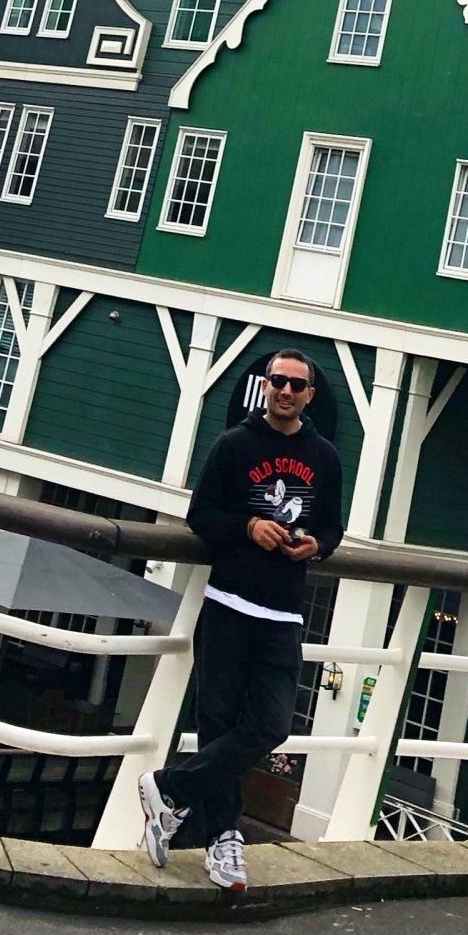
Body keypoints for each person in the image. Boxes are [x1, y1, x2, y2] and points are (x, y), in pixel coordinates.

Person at [140, 348, 345, 891]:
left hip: (284, 612)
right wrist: (249, 526)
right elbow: (201, 515)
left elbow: (332, 526)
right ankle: (223, 840)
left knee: (273, 724)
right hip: (229, 604)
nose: (285, 390)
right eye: (278, 380)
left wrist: (317, 546)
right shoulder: (233, 445)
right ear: (266, 386)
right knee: (219, 725)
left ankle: (170, 788)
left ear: (309, 395)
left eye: (296, 384)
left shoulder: (325, 457)